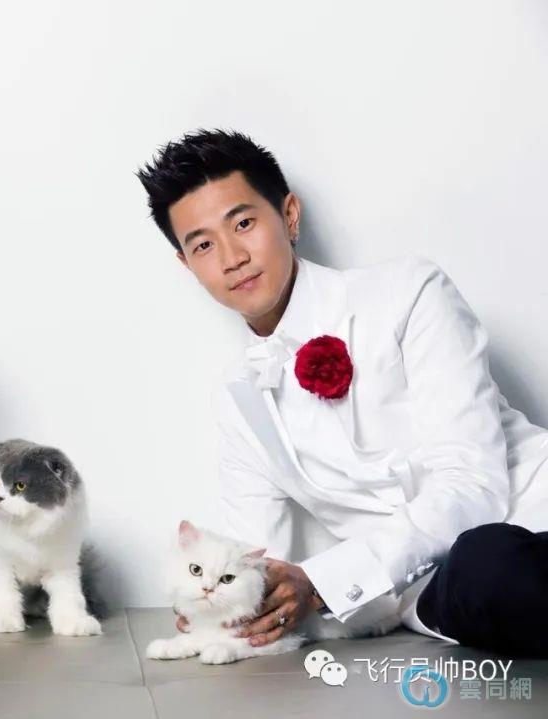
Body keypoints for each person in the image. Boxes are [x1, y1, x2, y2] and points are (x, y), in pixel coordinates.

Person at [137, 129, 548, 656]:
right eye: (203, 245)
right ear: (187, 266)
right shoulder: (240, 402)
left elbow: (473, 483)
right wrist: (224, 608)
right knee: (486, 572)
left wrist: (323, 582)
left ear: (289, 215)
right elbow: (256, 562)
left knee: (490, 558)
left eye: (243, 223)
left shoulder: (408, 292)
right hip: (443, 594)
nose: (232, 257)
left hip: (530, 514)